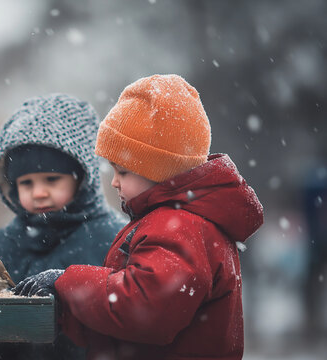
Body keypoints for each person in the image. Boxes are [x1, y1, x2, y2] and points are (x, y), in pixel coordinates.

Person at [14, 75, 264, 360]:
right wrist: (63, 312)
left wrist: (67, 283)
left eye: (123, 171)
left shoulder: (180, 226)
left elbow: (145, 310)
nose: (114, 182)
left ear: (159, 172)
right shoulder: (168, 220)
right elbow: (124, 325)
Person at [0, 93, 126, 359]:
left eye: (51, 180)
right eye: (27, 183)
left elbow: (134, 324)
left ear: (82, 178)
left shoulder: (113, 240)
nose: (39, 192)